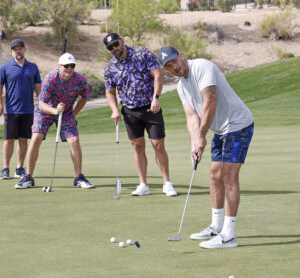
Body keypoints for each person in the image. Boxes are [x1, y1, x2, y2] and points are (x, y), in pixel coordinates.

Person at [157, 46, 254, 249]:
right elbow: (192, 116)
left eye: (174, 61)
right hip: (220, 129)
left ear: (181, 56)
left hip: (238, 124)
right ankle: (216, 226)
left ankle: (229, 235)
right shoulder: (181, 87)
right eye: (168, 66)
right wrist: (195, 142)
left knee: (228, 175)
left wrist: (202, 136)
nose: (173, 67)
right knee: (214, 174)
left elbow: (210, 100)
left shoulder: (202, 67)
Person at [103, 33, 177, 197]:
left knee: (158, 145)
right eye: (110, 47)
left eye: (116, 44)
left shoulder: (142, 53)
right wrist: (115, 110)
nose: (114, 48)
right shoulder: (110, 68)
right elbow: (110, 92)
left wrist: (156, 98)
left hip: (151, 108)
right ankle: (143, 184)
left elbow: (158, 75)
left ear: (122, 41)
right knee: (137, 146)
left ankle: (167, 183)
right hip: (130, 111)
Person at [14, 53, 94, 189]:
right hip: (45, 110)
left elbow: (84, 97)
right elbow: (41, 104)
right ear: (59, 66)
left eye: (72, 66)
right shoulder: (51, 78)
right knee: (36, 137)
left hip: (67, 111)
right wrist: (55, 111)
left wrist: (73, 114)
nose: (69, 69)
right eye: (66, 66)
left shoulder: (80, 79)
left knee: (74, 140)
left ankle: (78, 177)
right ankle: (28, 177)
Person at [0, 39, 41, 179]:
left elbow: (39, 89)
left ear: (25, 50)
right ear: (11, 51)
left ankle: (19, 168)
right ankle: (5, 168)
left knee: (23, 140)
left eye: (20, 48)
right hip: (11, 110)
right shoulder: (5, 68)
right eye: (15, 49)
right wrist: (0, 104)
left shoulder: (33, 67)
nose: (18, 51)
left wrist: (41, 105)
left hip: (28, 109)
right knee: (9, 140)